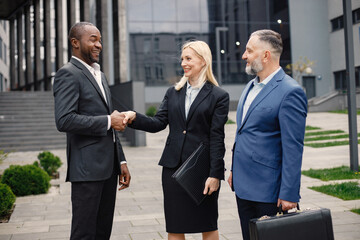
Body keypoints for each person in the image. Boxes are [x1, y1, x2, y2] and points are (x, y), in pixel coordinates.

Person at [123, 40, 229, 240]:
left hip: (201, 171)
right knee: (175, 226)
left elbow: (217, 138)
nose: (183, 63)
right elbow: (158, 123)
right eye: (182, 59)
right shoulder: (173, 93)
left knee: (208, 224)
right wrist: (134, 117)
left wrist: (215, 174)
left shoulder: (218, 96)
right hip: (173, 169)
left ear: (203, 60)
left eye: (188, 58)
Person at [53, 22, 131, 240]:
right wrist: (108, 120)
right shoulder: (67, 74)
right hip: (87, 170)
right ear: (75, 43)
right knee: (84, 234)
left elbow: (112, 125)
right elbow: (64, 120)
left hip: (109, 169)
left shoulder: (100, 75)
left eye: (100, 40)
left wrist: (121, 161)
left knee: (102, 232)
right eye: (93, 39)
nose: (99, 45)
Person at [227, 29, 307, 240]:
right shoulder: (249, 87)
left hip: (268, 191)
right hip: (243, 187)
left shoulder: (291, 91)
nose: (244, 55)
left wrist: (289, 193)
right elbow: (242, 133)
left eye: (249, 51)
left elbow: (293, 146)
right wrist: (235, 170)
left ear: (265, 55)